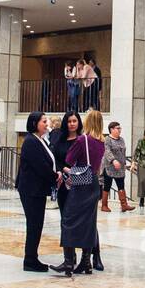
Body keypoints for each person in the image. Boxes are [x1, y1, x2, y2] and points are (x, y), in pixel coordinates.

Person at [53, 109, 105, 276]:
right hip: (94, 183)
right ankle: (86, 263)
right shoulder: (101, 142)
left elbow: (68, 160)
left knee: (68, 220)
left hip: (81, 184)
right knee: (89, 223)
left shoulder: (83, 140)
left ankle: (69, 263)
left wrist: (69, 170)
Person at [18, 111, 59, 272]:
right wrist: (55, 177)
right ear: (35, 123)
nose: (46, 123)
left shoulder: (40, 140)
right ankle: (30, 259)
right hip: (31, 189)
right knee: (34, 224)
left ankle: (32, 256)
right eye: (43, 121)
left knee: (37, 224)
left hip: (38, 189)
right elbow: (41, 166)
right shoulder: (30, 141)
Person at [48, 111, 81, 212]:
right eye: (69, 121)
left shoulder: (82, 140)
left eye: (74, 121)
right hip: (63, 182)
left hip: (78, 183)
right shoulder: (60, 139)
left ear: (78, 122)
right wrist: (63, 169)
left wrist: (73, 173)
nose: (71, 124)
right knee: (64, 214)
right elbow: (54, 158)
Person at [100, 120, 131, 212]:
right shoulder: (107, 139)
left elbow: (123, 153)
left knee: (121, 186)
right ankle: (104, 205)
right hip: (110, 167)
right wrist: (113, 160)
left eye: (120, 128)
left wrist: (124, 164)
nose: (119, 130)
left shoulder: (121, 139)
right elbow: (107, 151)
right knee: (107, 186)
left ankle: (124, 205)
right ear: (111, 129)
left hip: (120, 168)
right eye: (118, 128)